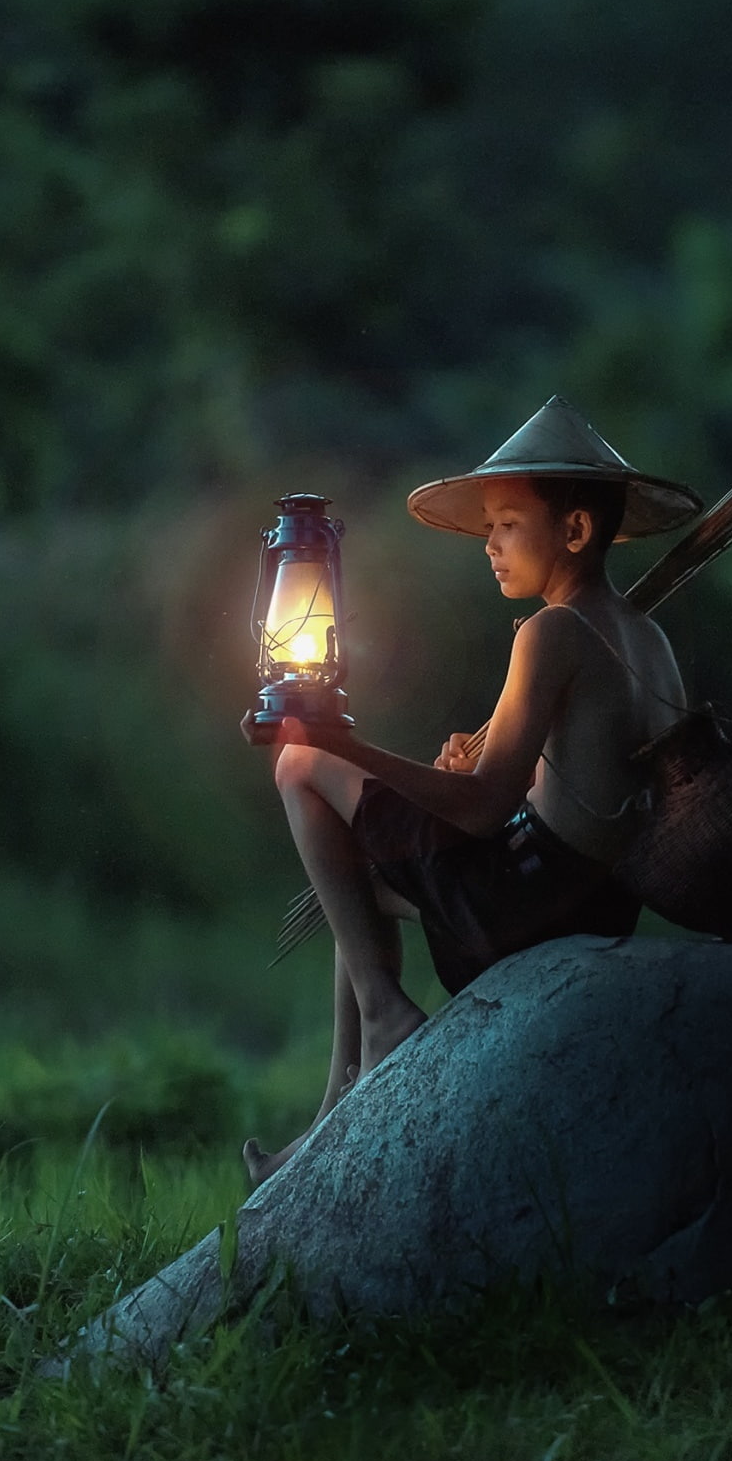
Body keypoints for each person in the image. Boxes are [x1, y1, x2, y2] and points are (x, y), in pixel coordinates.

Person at [248, 397, 700, 1186]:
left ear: (575, 530)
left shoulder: (552, 632)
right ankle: (333, 1112)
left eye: (508, 525)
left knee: (295, 763)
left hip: (524, 905)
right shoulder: (647, 638)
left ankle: (387, 1017)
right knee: (354, 890)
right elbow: (583, 787)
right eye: (489, 527)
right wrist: (468, 773)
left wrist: (338, 742)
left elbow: (487, 808)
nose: (490, 544)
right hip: (596, 901)